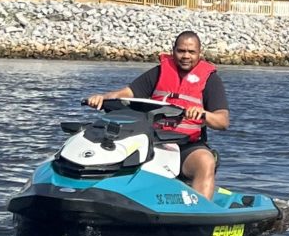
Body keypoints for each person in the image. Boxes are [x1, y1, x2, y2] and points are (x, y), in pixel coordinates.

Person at [85, 30, 228, 200]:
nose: (186, 56)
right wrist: (102, 98)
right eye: (181, 51)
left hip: (187, 146)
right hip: (154, 141)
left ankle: (199, 209)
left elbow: (222, 121)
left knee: (206, 161)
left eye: (191, 52)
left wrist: (204, 114)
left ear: (199, 53)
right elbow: (126, 93)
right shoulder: (159, 72)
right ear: (173, 50)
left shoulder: (210, 80)